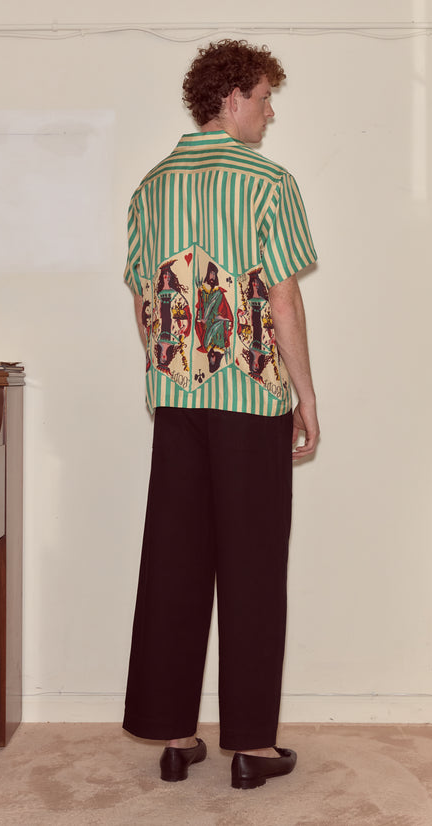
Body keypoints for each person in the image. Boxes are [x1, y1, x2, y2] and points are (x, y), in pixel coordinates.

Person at [122, 38, 319, 790]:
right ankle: (251, 746)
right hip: (248, 400)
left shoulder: (149, 188)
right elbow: (283, 297)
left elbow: (147, 307)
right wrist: (305, 395)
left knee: (173, 563)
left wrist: (172, 369)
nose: (271, 114)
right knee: (254, 565)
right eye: (266, 98)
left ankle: (176, 738)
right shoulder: (268, 182)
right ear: (232, 96)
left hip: (178, 401)